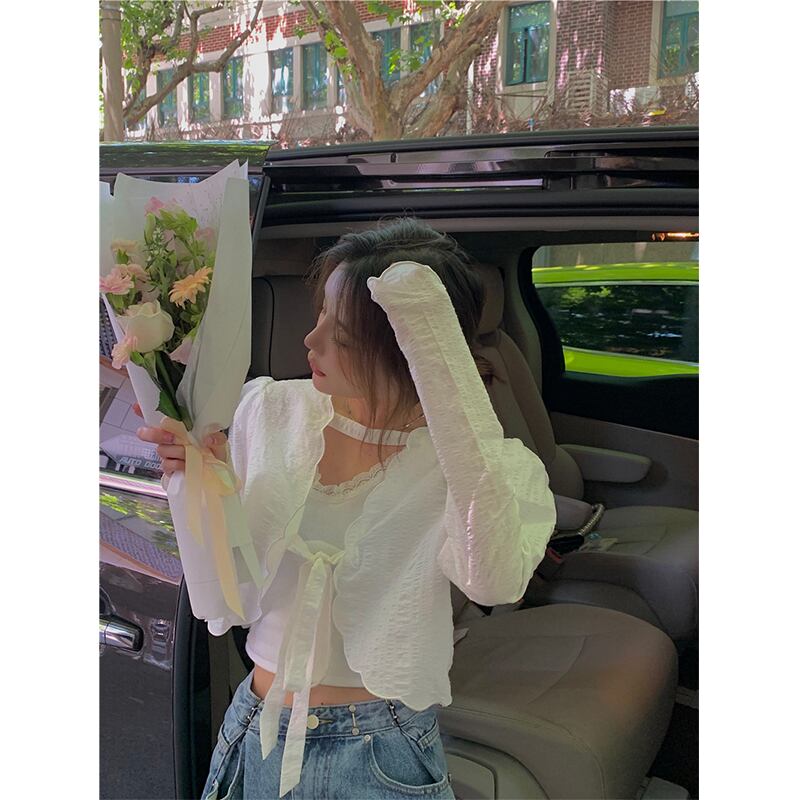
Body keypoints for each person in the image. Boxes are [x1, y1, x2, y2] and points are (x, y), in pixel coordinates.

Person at [135, 217, 557, 799]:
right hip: (254, 727)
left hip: (382, 748)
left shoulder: (475, 465)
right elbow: (227, 597)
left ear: (410, 348)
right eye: (319, 317)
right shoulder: (269, 411)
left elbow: (494, 579)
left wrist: (439, 357)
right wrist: (201, 487)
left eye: (344, 335)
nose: (311, 342)